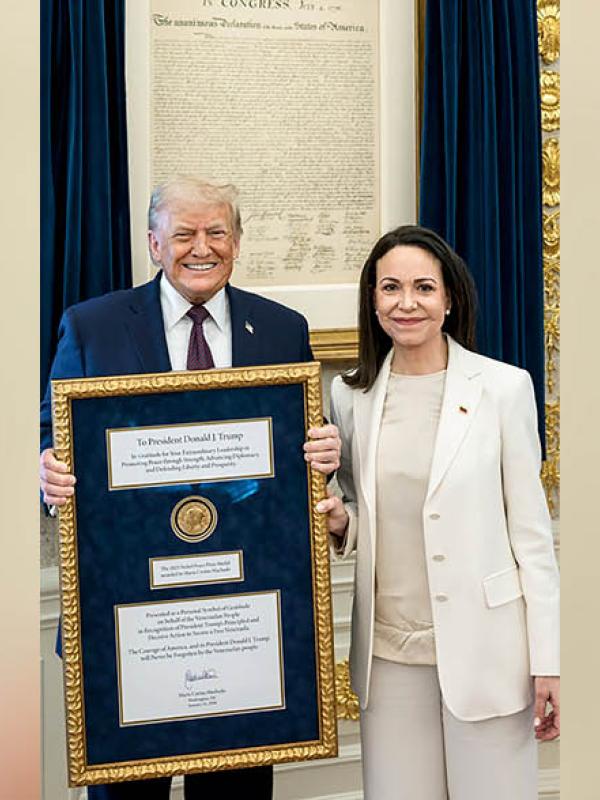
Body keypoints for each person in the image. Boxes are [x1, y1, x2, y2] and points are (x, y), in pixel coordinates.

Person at [40, 176, 341, 800]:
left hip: (244, 611)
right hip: (130, 610)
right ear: (154, 244)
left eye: (216, 233)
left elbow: (296, 455)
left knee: (235, 789)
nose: (200, 248)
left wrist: (324, 453)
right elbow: (51, 435)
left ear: (236, 241)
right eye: (183, 234)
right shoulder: (92, 328)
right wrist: (46, 471)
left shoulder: (282, 328)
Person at [317, 225, 559, 800]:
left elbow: (532, 536)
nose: (406, 303)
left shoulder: (503, 388)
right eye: (390, 288)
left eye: (424, 288)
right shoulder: (350, 396)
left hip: (488, 649)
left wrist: (550, 660)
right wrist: (341, 522)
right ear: (372, 301)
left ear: (449, 299)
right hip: (388, 655)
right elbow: (355, 505)